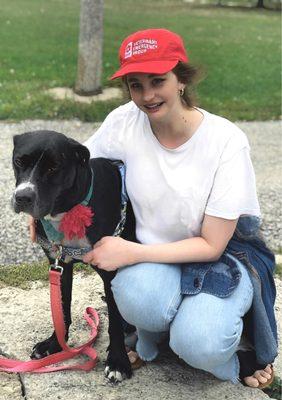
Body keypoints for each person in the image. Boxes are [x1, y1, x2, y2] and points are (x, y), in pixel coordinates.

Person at [30, 28, 277, 388]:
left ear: (181, 80)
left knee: (200, 343)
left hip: (217, 261)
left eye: (158, 80)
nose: (146, 96)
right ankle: (157, 334)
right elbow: (71, 167)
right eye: (135, 84)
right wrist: (43, 208)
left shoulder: (226, 142)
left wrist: (129, 251)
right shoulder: (124, 122)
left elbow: (212, 245)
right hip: (153, 259)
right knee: (132, 295)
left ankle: (228, 357)